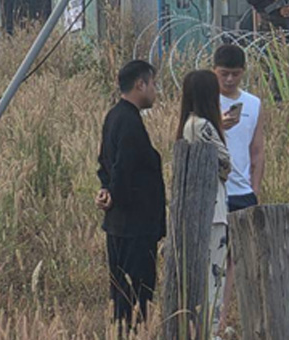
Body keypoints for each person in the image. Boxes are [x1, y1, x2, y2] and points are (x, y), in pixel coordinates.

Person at [96, 60, 165, 335]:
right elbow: (123, 167)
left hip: (120, 224)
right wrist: (115, 195)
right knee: (136, 293)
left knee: (122, 295)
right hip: (133, 227)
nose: (155, 90)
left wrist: (106, 190)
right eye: (153, 83)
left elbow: (104, 161)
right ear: (140, 84)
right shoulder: (128, 121)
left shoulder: (115, 116)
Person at [212, 44, 265, 330]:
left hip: (243, 192)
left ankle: (222, 319)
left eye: (235, 74)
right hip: (215, 192)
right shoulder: (205, 101)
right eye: (224, 74)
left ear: (243, 73)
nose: (229, 80)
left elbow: (257, 150)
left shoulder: (254, 104)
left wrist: (255, 188)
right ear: (214, 72)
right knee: (213, 257)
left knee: (237, 259)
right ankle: (209, 317)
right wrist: (219, 125)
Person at [176, 70, 231, 338]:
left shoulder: (188, 124)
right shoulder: (204, 126)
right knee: (214, 279)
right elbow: (225, 165)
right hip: (214, 212)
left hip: (195, 212)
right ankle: (209, 332)